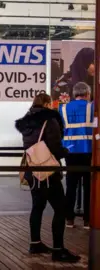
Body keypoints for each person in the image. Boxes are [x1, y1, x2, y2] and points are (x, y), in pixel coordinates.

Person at [15, 93, 80, 263]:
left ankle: (35, 243)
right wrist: (65, 152)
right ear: (47, 103)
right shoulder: (49, 120)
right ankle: (58, 250)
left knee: (38, 206)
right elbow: (55, 147)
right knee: (60, 209)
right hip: (47, 172)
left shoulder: (26, 121)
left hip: (32, 170)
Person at [59, 82, 94, 230]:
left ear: (74, 93)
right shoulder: (92, 107)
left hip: (70, 151)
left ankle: (69, 219)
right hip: (88, 150)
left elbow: (61, 130)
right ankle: (87, 220)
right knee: (89, 186)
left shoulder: (63, 108)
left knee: (71, 186)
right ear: (87, 93)